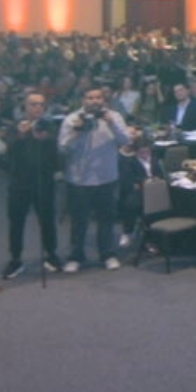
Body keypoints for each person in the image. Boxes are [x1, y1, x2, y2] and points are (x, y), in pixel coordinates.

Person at [58, 87, 132, 272]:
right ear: (83, 100)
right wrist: (77, 131)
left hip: (106, 177)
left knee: (106, 219)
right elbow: (62, 148)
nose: (94, 101)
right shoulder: (71, 119)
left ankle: (107, 254)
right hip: (79, 179)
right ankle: (76, 256)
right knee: (79, 221)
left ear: (103, 100)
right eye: (90, 98)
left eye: (98, 97)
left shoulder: (114, 116)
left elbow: (126, 141)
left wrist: (111, 124)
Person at [3, 91, 61, 279]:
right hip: (19, 183)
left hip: (44, 182)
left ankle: (51, 254)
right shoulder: (15, 126)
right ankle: (15, 259)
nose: (37, 108)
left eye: (41, 104)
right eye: (33, 104)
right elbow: (8, 151)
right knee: (16, 221)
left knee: (47, 220)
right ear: (25, 107)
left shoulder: (50, 126)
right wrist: (21, 135)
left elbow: (58, 153)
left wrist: (45, 139)